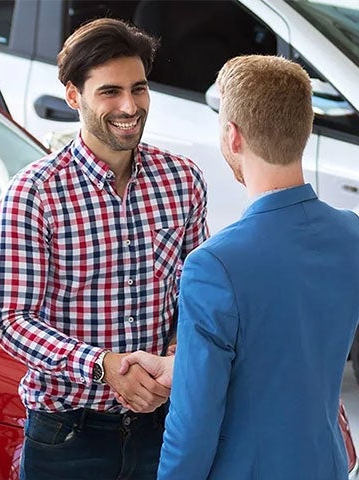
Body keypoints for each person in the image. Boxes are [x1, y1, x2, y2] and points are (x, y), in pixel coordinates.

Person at [0, 18, 208, 480]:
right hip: (68, 435)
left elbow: (196, 297)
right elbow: (12, 322)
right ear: (74, 96)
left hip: (164, 426)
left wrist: (171, 364)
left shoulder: (182, 180)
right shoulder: (33, 194)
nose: (130, 106)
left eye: (139, 88)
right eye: (110, 91)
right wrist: (103, 366)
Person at [143, 54, 359, 479]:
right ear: (304, 128)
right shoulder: (350, 234)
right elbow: (290, 350)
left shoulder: (214, 266)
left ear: (233, 136)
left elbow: (193, 426)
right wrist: (183, 364)